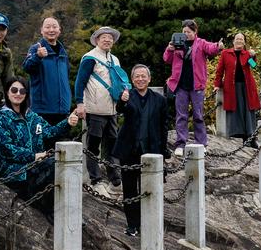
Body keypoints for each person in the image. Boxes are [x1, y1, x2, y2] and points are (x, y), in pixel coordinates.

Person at [0, 77, 79, 215]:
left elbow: (50, 132)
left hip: (36, 168)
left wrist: (67, 122)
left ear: (26, 94)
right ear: (7, 92)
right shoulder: (2, 117)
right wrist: (33, 156)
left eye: (22, 91)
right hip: (16, 173)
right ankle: (52, 211)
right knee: (52, 166)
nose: (18, 93)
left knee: (62, 165)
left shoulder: (32, 116)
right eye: (14, 90)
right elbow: (3, 147)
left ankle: (68, 211)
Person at [112, 64, 172, 237]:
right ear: (132, 80)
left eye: (143, 76)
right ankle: (132, 225)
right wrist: (122, 101)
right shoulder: (127, 96)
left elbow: (164, 126)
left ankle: (150, 224)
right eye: (137, 76)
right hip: (129, 150)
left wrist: (163, 151)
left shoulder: (160, 100)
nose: (140, 79)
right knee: (130, 190)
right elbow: (120, 109)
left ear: (149, 79)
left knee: (151, 189)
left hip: (151, 150)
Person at [73, 26, 130, 198]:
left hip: (111, 110)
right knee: (93, 145)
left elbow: (119, 81)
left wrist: (124, 93)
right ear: (97, 40)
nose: (107, 40)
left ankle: (114, 179)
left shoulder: (115, 59)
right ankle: (96, 180)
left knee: (112, 144)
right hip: (94, 108)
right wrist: (80, 103)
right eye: (103, 37)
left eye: (110, 38)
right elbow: (80, 82)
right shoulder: (90, 58)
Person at [163, 19, 223, 156]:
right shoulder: (177, 43)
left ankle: (201, 143)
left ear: (195, 32)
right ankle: (180, 143)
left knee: (198, 115)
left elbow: (211, 48)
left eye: (189, 32)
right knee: (181, 115)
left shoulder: (201, 43)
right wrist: (169, 49)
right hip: (180, 84)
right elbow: (167, 59)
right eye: (184, 31)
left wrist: (218, 46)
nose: (186, 34)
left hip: (197, 85)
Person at [21, 16, 72, 150]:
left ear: (59, 30)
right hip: (42, 110)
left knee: (60, 150)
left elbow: (66, 77)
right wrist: (38, 56)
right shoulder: (36, 48)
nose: (51, 30)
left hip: (62, 109)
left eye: (54, 27)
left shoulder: (63, 52)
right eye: (47, 27)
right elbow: (26, 67)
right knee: (42, 148)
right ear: (41, 30)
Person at [213, 32, 260, 145]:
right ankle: (242, 137)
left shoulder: (247, 54)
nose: (239, 40)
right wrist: (217, 85)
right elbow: (220, 71)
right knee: (236, 111)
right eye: (237, 39)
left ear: (244, 42)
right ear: (233, 41)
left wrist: (253, 56)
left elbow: (253, 66)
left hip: (247, 87)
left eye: (241, 39)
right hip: (232, 88)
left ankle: (251, 137)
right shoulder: (225, 53)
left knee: (248, 111)